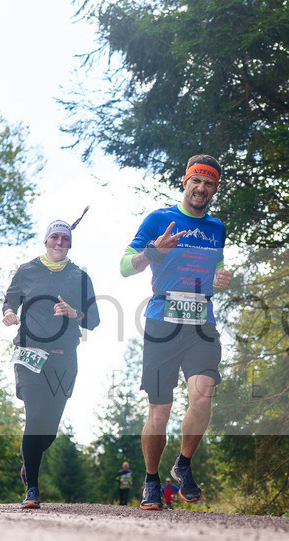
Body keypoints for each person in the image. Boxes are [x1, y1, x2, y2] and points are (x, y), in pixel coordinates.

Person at [119, 154, 232, 511]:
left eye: (209, 182)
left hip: (202, 320)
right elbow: (124, 266)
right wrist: (154, 251)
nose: (201, 188)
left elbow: (218, 265)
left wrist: (221, 277)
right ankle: (151, 480)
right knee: (160, 410)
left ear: (215, 188)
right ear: (185, 182)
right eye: (196, 180)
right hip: (162, 321)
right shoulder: (159, 219)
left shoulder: (216, 227)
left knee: (202, 396)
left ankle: (183, 464)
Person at [2, 216, 100, 509]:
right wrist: (8, 313)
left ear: (70, 244)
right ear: (46, 241)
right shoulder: (27, 271)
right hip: (29, 354)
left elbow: (94, 319)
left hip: (64, 358)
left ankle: (29, 459)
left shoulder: (80, 277)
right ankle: (32, 488)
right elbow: (9, 300)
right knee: (34, 416)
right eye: (54, 238)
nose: (59, 243)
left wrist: (74, 313)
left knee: (49, 429)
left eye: (65, 239)